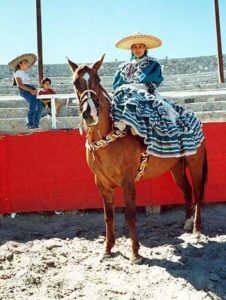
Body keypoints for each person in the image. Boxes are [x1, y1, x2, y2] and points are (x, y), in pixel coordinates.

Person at [111, 33, 204, 157]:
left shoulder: (152, 63)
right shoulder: (123, 66)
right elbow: (117, 84)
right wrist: (124, 88)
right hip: (126, 91)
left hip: (145, 91)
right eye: (135, 47)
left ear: (145, 49)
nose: (138, 49)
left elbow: (149, 79)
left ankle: (143, 137)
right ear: (131, 49)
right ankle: (121, 126)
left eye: (140, 47)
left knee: (151, 108)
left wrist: (134, 86)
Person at [8, 53, 43, 129]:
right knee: (33, 104)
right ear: (19, 64)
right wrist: (31, 90)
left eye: (27, 63)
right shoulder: (17, 73)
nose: (27, 64)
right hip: (25, 90)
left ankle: (35, 124)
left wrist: (34, 89)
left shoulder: (24, 73)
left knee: (40, 106)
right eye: (25, 63)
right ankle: (29, 123)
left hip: (30, 89)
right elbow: (20, 85)